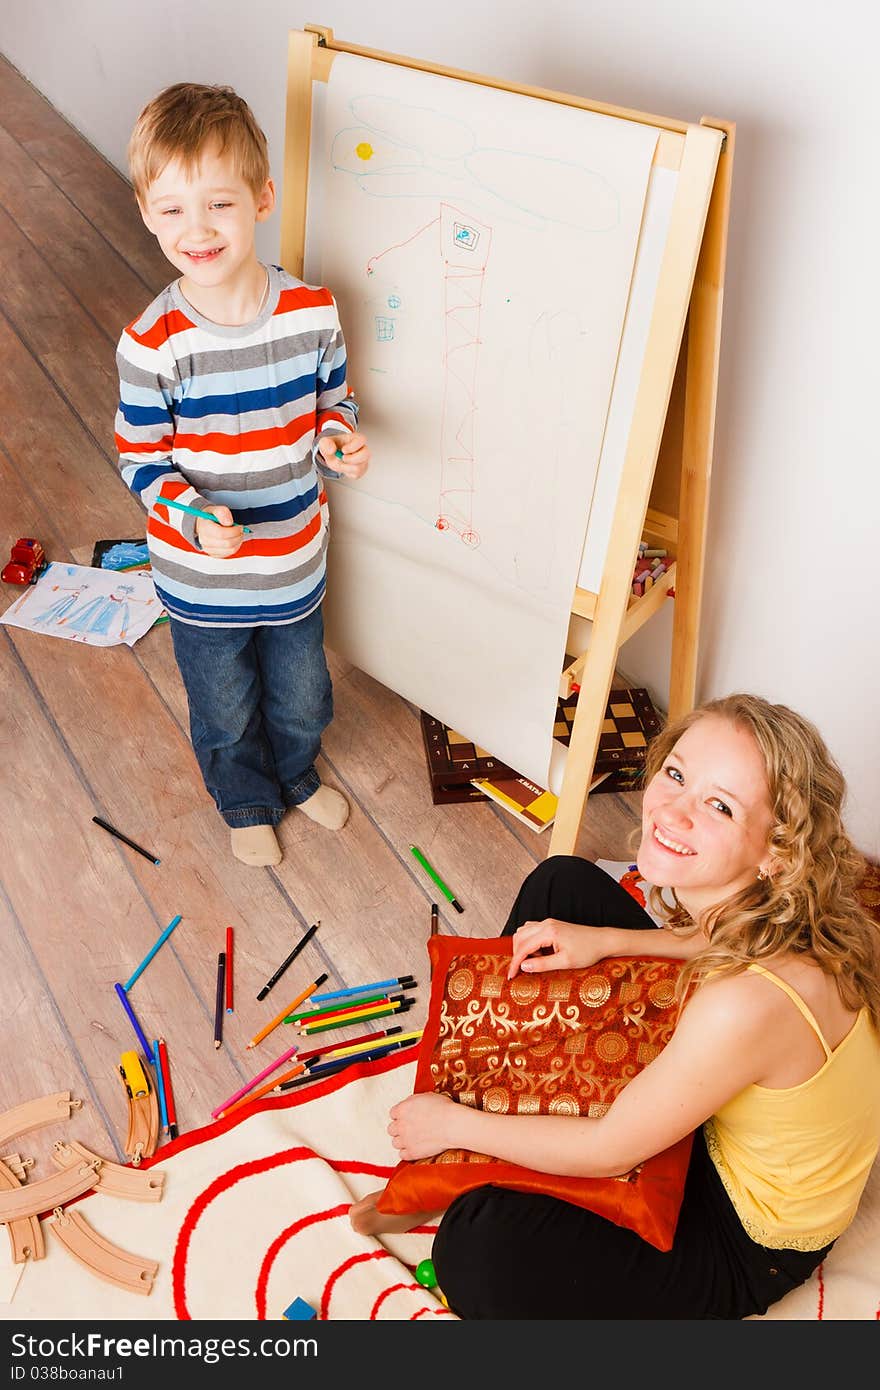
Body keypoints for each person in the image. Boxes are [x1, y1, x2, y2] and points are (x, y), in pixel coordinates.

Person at [351, 693, 880, 1319]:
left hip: (741, 1236)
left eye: (720, 806)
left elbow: (611, 1150)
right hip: (714, 1095)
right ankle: (482, 1138)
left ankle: (468, 1147)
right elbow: (727, 937)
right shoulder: (786, 910)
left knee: (477, 1244)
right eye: (677, 775)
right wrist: (604, 940)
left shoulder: (746, 1006)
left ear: (777, 852)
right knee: (563, 888)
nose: (674, 811)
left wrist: (453, 1126)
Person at [115, 83, 370, 867]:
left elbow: (336, 401)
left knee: (303, 695)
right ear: (145, 212)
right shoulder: (152, 343)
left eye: (219, 204)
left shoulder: (312, 311)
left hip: (294, 560)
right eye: (172, 211)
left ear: (262, 199)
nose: (198, 231)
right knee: (224, 706)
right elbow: (141, 459)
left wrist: (340, 440)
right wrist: (191, 516)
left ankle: (294, 774)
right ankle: (245, 795)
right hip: (201, 577)